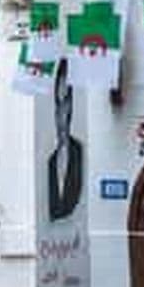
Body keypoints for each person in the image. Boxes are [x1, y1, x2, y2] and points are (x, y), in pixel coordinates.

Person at [48, 59, 83, 221]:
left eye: (66, 104)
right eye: (58, 105)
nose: (61, 116)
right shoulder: (51, 161)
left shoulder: (79, 152)